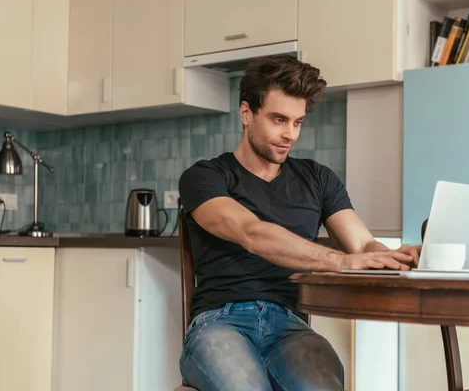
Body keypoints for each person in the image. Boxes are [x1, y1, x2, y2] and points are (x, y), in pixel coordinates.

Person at [178, 55, 421, 391]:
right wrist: (339, 261)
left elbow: (362, 244)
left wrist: (391, 258)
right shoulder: (205, 177)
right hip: (219, 323)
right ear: (246, 113)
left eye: (298, 122)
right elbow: (252, 232)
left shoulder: (318, 179)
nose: (289, 134)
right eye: (279, 120)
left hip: (289, 325)